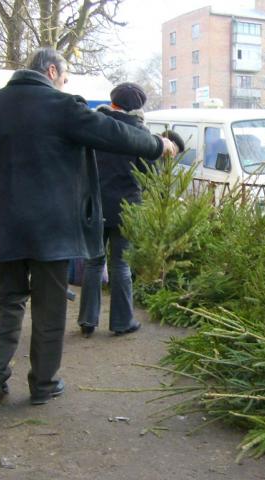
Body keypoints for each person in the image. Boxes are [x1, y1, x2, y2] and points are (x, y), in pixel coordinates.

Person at [0, 48, 178, 405]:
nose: (65, 81)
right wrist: (158, 144)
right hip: (52, 229)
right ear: (51, 70)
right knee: (49, 306)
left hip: (6, 225)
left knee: (5, 300)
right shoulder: (61, 106)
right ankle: (43, 385)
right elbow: (115, 134)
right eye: (65, 75)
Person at [77, 83, 184, 338]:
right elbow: (149, 175)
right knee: (121, 265)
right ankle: (122, 322)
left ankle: (87, 321)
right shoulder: (139, 132)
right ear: (136, 107)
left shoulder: (95, 124)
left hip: (94, 203)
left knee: (93, 262)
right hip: (127, 206)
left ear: (113, 100)